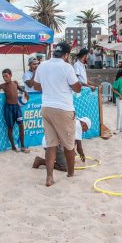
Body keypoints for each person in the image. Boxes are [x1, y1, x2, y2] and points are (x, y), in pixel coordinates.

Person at [33, 42, 82, 187]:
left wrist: (50, 85)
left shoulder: (42, 65)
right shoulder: (67, 67)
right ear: (66, 55)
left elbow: (36, 86)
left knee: (51, 144)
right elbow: (77, 88)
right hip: (63, 108)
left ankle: (49, 177)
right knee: (68, 144)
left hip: (46, 107)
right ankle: (71, 173)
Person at [0, 69, 30, 153]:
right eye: (3, 76)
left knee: (21, 126)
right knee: (10, 127)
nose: (5, 78)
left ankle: (22, 146)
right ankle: (13, 146)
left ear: (11, 75)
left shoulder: (15, 83)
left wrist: (24, 91)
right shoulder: (2, 86)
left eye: (6, 76)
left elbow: (19, 88)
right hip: (8, 109)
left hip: (16, 107)